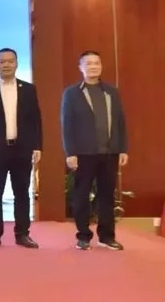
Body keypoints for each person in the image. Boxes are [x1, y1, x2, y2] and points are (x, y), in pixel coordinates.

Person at [0, 48, 42, 249]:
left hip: (22, 149)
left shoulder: (28, 89)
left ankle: (22, 234)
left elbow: (36, 119)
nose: (6, 65)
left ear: (16, 63)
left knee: (22, 193)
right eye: (2, 61)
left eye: (10, 61)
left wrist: (37, 145)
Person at [61, 50, 128, 251]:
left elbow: (120, 122)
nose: (93, 67)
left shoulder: (111, 91)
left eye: (96, 63)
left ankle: (106, 236)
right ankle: (83, 236)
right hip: (83, 153)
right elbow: (67, 125)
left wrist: (123, 148)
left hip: (110, 152)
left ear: (101, 66)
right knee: (81, 195)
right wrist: (70, 152)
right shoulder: (72, 93)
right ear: (80, 67)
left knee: (107, 195)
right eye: (88, 63)